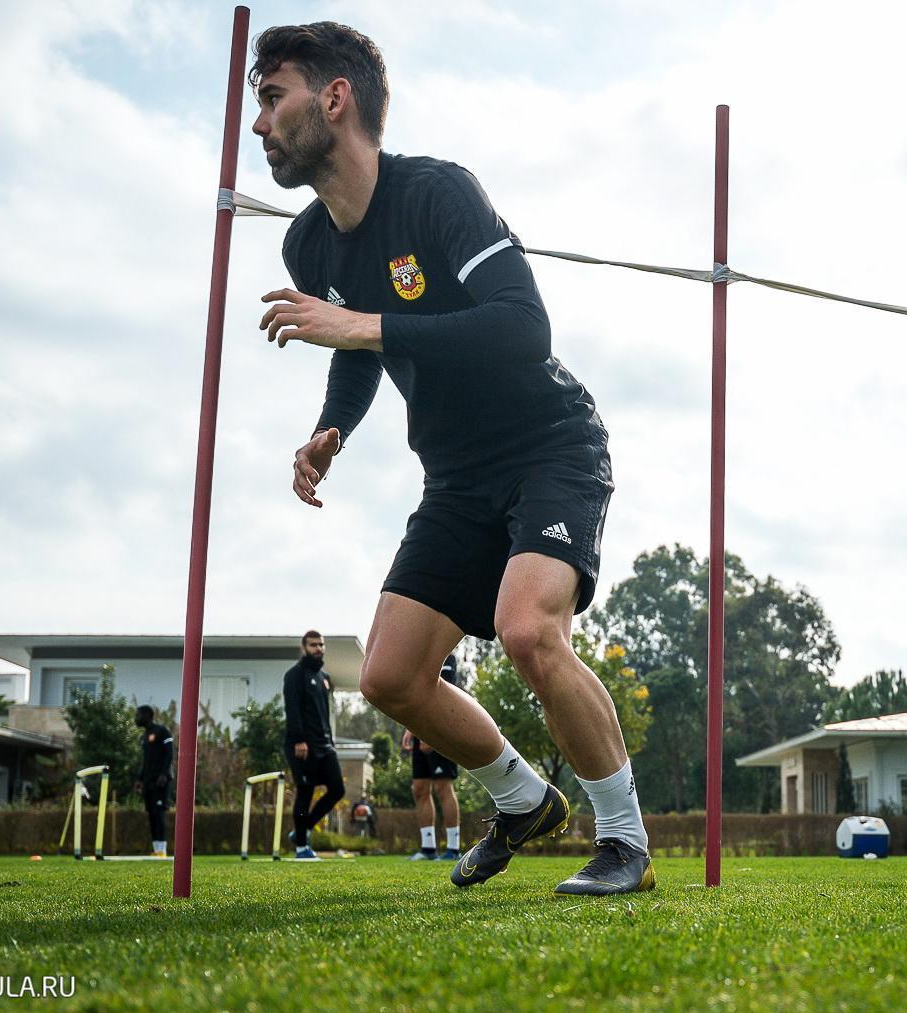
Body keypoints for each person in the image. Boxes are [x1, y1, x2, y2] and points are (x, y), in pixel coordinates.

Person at [250, 22, 652, 895]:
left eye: (273, 98)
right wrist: (332, 429)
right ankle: (524, 799)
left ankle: (624, 841)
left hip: (550, 444)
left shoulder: (438, 193)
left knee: (527, 629)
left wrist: (363, 323)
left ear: (334, 98)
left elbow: (522, 327)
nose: (260, 124)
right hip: (456, 476)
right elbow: (357, 349)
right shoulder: (307, 244)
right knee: (389, 674)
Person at [284, 629, 345, 860]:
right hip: (303, 745)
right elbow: (292, 709)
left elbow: (325, 713)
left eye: (321, 644)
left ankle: (302, 829)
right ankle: (301, 848)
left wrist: (330, 740)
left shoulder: (324, 677)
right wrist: (299, 740)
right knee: (305, 791)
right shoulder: (294, 675)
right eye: (313, 645)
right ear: (304, 648)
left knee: (337, 789)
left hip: (325, 744)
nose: (318, 648)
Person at [405, 654, 465, 861]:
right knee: (420, 789)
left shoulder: (446, 656)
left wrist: (431, 734)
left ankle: (453, 849)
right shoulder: (417, 655)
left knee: (442, 787)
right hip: (419, 727)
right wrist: (411, 728)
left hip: (439, 728)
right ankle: (428, 848)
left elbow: (441, 693)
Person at [134, 705, 173, 857]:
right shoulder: (144, 737)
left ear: (147, 715)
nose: (136, 718)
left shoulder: (162, 732)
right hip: (148, 782)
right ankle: (156, 849)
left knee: (159, 813)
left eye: (138, 715)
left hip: (160, 781)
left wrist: (164, 774)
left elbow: (169, 754)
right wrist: (139, 779)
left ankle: (162, 850)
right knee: (151, 814)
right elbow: (146, 761)